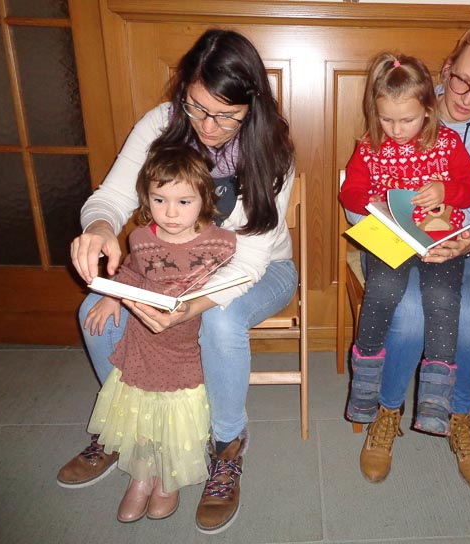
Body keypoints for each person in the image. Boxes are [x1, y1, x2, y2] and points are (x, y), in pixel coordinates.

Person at [57, 29, 296, 534]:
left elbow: (251, 260)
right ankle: (130, 430)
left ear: (252, 105)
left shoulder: (272, 148)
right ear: (183, 90)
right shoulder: (159, 125)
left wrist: (186, 305)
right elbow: (111, 198)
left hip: (261, 270)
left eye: (226, 115)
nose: (208, 127)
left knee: (221, 322)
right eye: (196, 107)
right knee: (93, 313)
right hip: (172, 265)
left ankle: (226, 446)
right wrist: (98, 228)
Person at [343, 16, 470, 487]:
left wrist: (468, 239)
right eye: (462, 80)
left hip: (461, 240)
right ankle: (387, 410)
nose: (468, 97)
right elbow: (355, 196)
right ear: (446, 69)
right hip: (391, 237)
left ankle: (457, 416)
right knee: (407, 313)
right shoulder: (402, 103)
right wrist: (381, 214)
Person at [85, 145, 236, 522]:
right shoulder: (140, 238)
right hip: (144, 344)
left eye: (184, 201)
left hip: (186, 348)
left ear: (204, 199)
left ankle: (168, 479)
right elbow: (131, 272)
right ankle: (142, 476)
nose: (170, 212)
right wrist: (111, 296)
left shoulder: (222, 243)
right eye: (159, 200)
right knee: (141, 413)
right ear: (146, 199)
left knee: (174, 420)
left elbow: (232, 287)